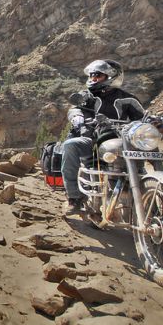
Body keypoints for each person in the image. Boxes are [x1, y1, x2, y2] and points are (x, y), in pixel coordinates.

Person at [61, 59, 145, 216]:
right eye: (92, 75)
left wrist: (154, 120)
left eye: (97, 75)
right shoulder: (86, 96)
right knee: (70, 145)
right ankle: (74, 198)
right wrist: (77, 117)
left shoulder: (127, 98)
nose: (93, 79)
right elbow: (75, 109)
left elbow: (142, 117)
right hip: (91, 139)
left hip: (121, 142)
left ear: (111, 76)